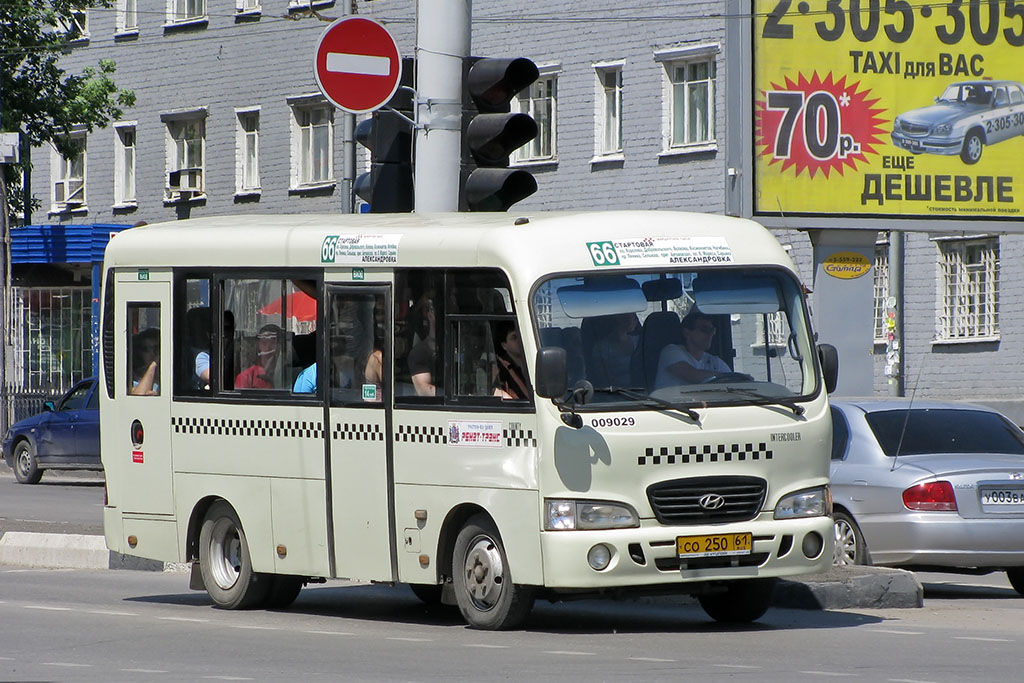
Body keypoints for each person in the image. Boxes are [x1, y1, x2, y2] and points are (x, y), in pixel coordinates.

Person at [654, 310, 732, 388]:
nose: (710, 334)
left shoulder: (715, 362)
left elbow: (734, 381)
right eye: (704, 330)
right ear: (687, 333)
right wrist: (723, 377)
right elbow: (693, 375)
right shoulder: (671, 352)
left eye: (712, 330)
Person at [590, 313, 638, 387]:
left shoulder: (638, 341)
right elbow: (603, 379)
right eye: (633, 317)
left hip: (643, 392)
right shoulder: (601, 348)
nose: (636, 320)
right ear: (619, 318)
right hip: (614, 394)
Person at [235, 324, 283, 389]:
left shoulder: (287, 373)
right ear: (258, 345)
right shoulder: (247, 376)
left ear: (280, 346)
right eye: (264, 343)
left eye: (273, 343)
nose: (268, 348)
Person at [493, 321, 529, 400]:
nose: (520, 340)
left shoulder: (534, 363)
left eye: (521, 335)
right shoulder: (499, 370)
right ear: (504, 345)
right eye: (514, 337)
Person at [130, 328, 160, 396]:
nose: (152, 353)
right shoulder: (132, 378)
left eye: (156, 348)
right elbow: (139, 396)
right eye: (146, 349)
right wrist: (153, 364)